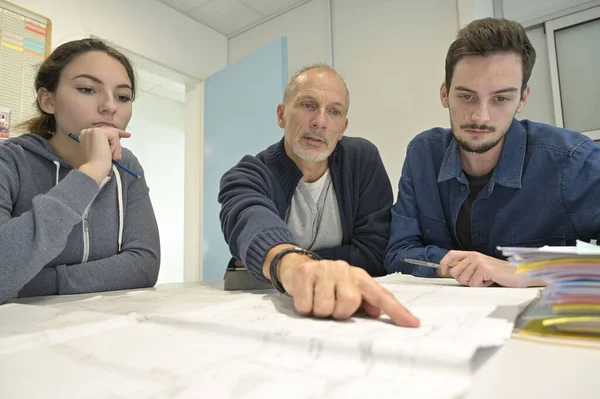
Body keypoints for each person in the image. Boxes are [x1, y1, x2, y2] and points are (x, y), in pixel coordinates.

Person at [385, 18, 600, 287]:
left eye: (500, 99)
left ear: (522, 99)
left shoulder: (573, 161)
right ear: (444, 94)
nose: (480, 117)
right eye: (466, 96)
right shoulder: (423, 154)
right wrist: (456, 266)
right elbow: (398, 253)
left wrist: (525, 270)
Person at [219, 64, 419, 327]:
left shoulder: (362, 160)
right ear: (281, 115)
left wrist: (296, 264)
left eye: (334, 111)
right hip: (270, 317)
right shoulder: (248, 175)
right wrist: (289, 264)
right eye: (308, 105)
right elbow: (252, 222)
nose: (320, 121)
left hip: (348, 316)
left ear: (343, 126)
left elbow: (374, 253)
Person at [0, 38, 160, 304]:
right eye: (87, 89)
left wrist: (31, 284)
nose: (110, 106)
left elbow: (144, 265)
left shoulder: (127, 166)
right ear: (47, 100)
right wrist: (91, 172)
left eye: (122, 96)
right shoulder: (10, 160)